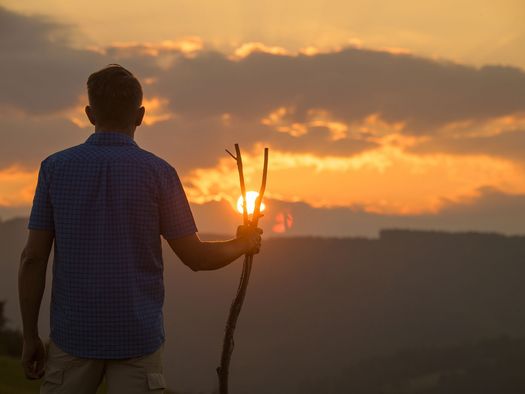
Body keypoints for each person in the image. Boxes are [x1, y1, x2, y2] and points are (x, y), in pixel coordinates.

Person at [18, 64, 263, 394]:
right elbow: (196, 257)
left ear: (90, 114)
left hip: (73, 336)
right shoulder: (159, 174)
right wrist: (242, 244)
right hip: (137, 338)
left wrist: (30, 335)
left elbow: (33, 259)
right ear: (141, 115)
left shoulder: (54, 169)